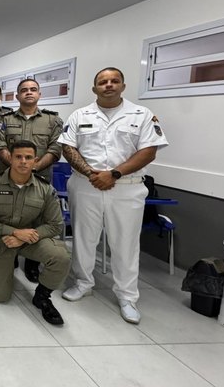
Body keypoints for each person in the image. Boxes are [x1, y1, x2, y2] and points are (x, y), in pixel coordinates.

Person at [59, 67, 168, 324]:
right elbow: (68, 147)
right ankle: (83, 283)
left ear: (123, 86)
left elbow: (149, 151)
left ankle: (127, 296)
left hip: (127, 187)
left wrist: (114, 174)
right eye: (103, 82)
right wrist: (92, 174)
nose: (108, 85)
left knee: (126, 243)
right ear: (94, 88)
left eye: (114, 81)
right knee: (83, 238)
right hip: (86, 185)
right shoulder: (79, 115)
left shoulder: (142, 115)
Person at [0, 140, 70, 325]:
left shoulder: (45, 189)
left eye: (28, 157)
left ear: (35, 161)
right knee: (0, 296)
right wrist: (15, 232)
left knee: (61, 256)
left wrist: (25, 237)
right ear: (10, 159)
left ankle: (42, 296)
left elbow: (55, 225)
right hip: (1, 239)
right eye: (18, 157)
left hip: (30, 239)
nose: (23, 161)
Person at [0, 79, 63, 284]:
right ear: (17, 96)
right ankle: (11, 255)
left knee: (37, 219)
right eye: (24, 90)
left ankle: (33, 263)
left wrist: (33, 168)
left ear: (39, 94)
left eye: (33, 90)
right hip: (9, 178)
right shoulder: (5, 119)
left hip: (39, 178)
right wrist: (17, 166)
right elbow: (0, 145)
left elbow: (55, 148)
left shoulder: (52, 120)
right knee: (8, 216)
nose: (29, 93)